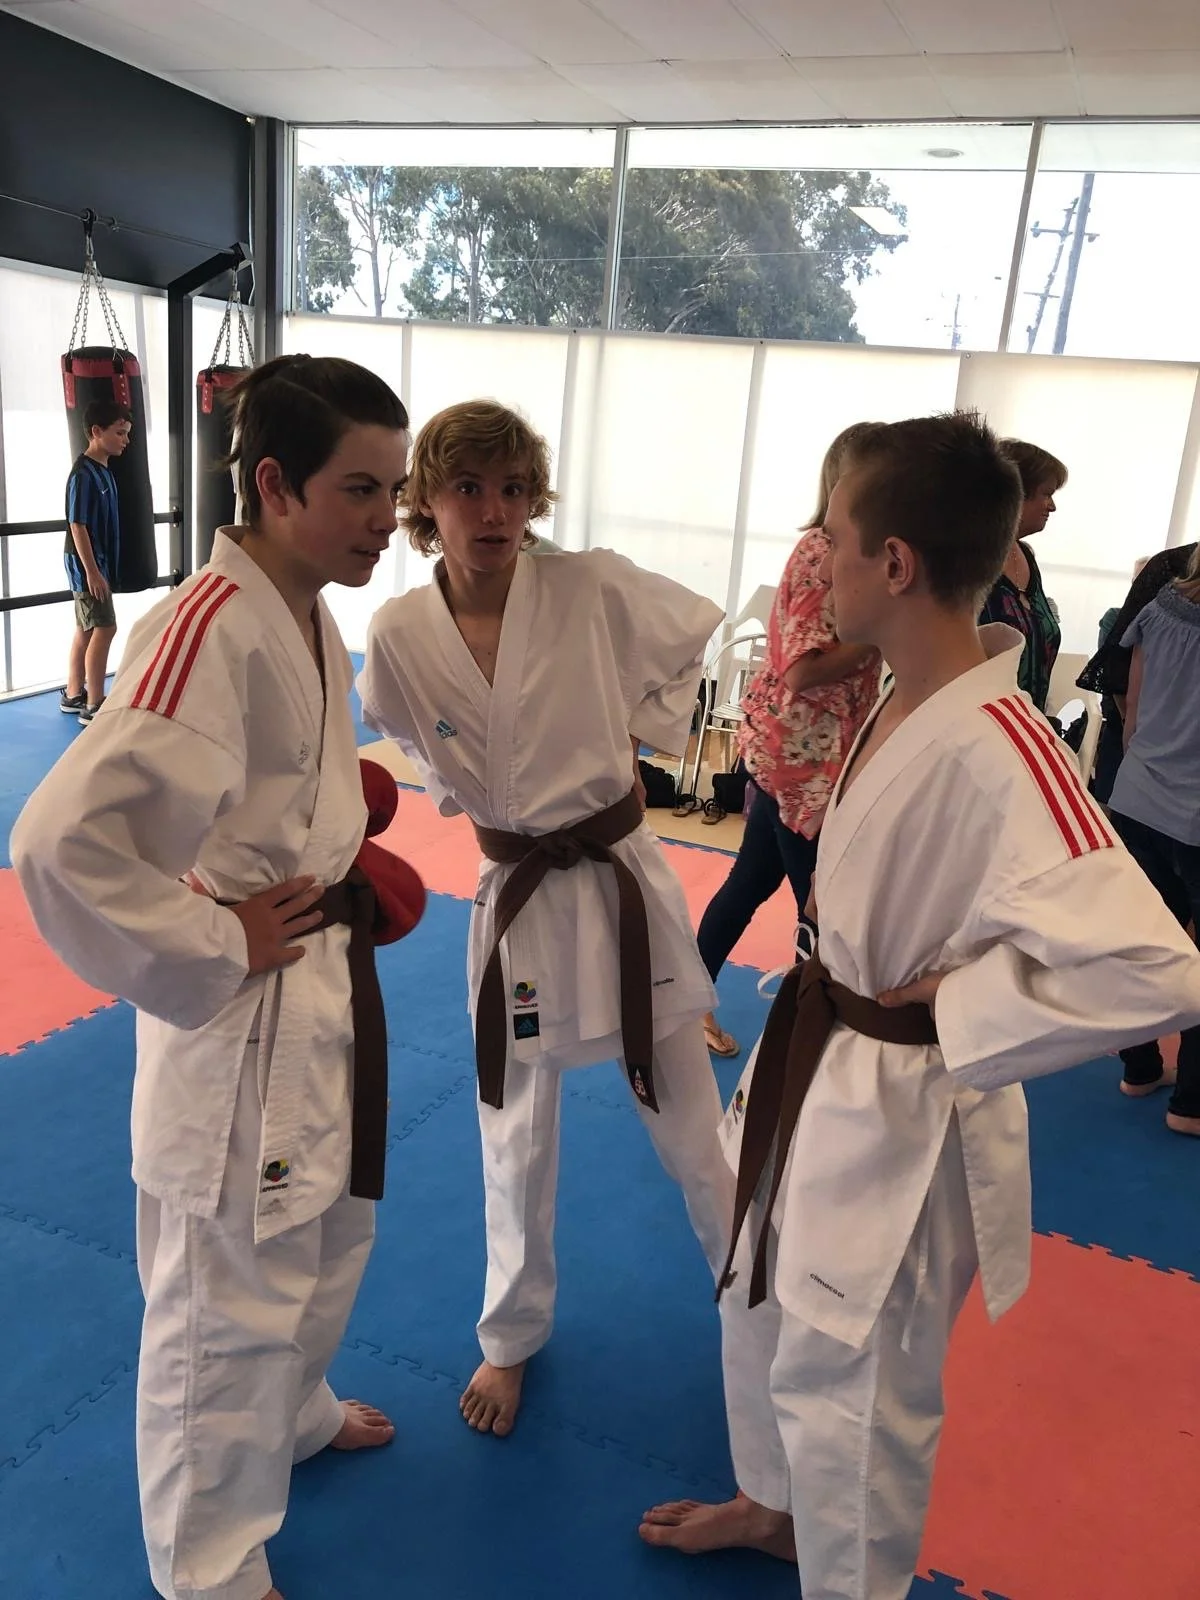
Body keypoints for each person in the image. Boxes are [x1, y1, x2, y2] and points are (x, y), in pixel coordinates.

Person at [637, 412, 1200, 1600]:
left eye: (835, 540)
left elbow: (1161, 969)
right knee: (754, 1298)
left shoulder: (1005, 744)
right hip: (814, 1054)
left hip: (899, 1108)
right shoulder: (899, 693)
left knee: (855, 1401)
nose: (820, 562)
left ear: (893, 563)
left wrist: (962, 1000)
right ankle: (770, 1505)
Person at [12, 354, 412, 1600]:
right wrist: (217, 938)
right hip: (244, 1013)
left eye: (395, 490)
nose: (387, 520)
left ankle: (295, 1412)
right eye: (362, 491)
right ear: (276, 485)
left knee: (329, 1232)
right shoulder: (206, 627)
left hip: (320, 981)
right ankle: (209, 1564)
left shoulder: (307, 605)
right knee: (223, 1304)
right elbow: (59, 842)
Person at [358, 399, 735, 1440]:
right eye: (468, 488)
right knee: (513, 1133)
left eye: (515, 489)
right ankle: (510, 1336)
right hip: (517, 894)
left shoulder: (590, 586)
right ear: (426, 503)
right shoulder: (397, 633)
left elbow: (687, 644)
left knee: (693, 1123)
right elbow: (407, 732)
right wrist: (475, 792)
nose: (494, 511)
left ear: (535, 499)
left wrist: (634, 727)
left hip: (619, 882)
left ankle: (758, 1300)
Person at [696, 423, 883, 1058]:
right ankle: (813, 1034)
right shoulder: (821, 551)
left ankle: (682, 1005)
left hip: (813, 753)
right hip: (800, 758)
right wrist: (882, 638)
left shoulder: (856, 550)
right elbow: (801, 669)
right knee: (820, 906)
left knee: (752, 881)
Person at [1106, 543, 1200, 1135]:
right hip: (1192, 815)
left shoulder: (1160, 607)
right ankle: (1191, 1103)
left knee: (1141, 944)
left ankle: (1140, 1067)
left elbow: (1131, 710)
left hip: (1138, 797)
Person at [1079, 544, 1197, 806]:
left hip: (1140, 774)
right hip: (1173, 790)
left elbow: (1129, 698)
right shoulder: (1158, 596)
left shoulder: (1156, 611)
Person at [978, 437, 1067, 712]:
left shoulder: (1026, 556)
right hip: (975, 723)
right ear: (1015, 493)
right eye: (1046, 494)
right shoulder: (969, 561)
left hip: (1024, 719)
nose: (1052, 506)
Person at [60, 397, 131, 722]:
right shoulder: (83, 474)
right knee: (106, 627)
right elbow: (77, 524)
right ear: (96, 432)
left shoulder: (103, 471)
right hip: (87, 566)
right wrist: (92, 572)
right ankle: (94, 703)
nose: (125, 440)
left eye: (127, 433)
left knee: (86, 628)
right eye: (119, 433)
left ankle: (74, 693)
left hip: (96, 564)